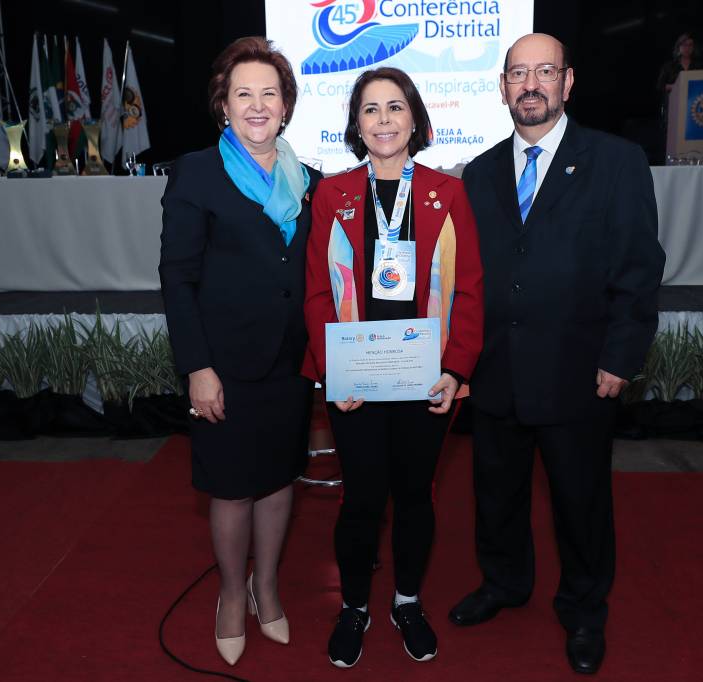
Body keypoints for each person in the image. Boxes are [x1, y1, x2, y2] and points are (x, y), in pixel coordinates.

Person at [448, 34, 666, 675]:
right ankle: (504, 583)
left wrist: (622, 355)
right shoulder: (480, 172)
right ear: (502, 88)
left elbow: (639, 265)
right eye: (519, 74)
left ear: (567, 83)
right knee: (496, 494)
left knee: (580, 500)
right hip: (496, 370)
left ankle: (584, 609)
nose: (531, 85)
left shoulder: (616, 161)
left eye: (545, 72)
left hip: (579, 369)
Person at [304, 66, 483, 668]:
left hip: (425, 378)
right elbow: (317, 293)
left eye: (395, 107)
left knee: (414, 496)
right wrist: (334, 372)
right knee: (360, 499)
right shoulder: (332, 194)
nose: (384, 120)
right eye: (371, 109)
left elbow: (470, 290)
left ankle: (407, 601)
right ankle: (353, 606)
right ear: (356, 125)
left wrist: (456, 370)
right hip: (354, 379)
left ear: (415, 119)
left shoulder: (447, 193)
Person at [158, 36, 321, 667]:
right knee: (229, 488)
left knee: (278, 480)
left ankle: (267, 586)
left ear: (286, 106)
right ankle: (231, 593)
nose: (257, 106)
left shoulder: (308, 180)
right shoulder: (197, 172)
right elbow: (177, 276)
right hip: (222, 364)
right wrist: (197, 367)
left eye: (269, 94)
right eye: (243, 94)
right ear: (223, 106)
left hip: (289, 363)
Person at [656, 33, 703, 131]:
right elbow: (660, 86)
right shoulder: (669, 66)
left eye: (690, 45)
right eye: (684, 45)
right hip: (674, 107)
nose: (687, 48)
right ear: (678, 47)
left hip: (693, 107)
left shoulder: (698, 66)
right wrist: (675, 86)